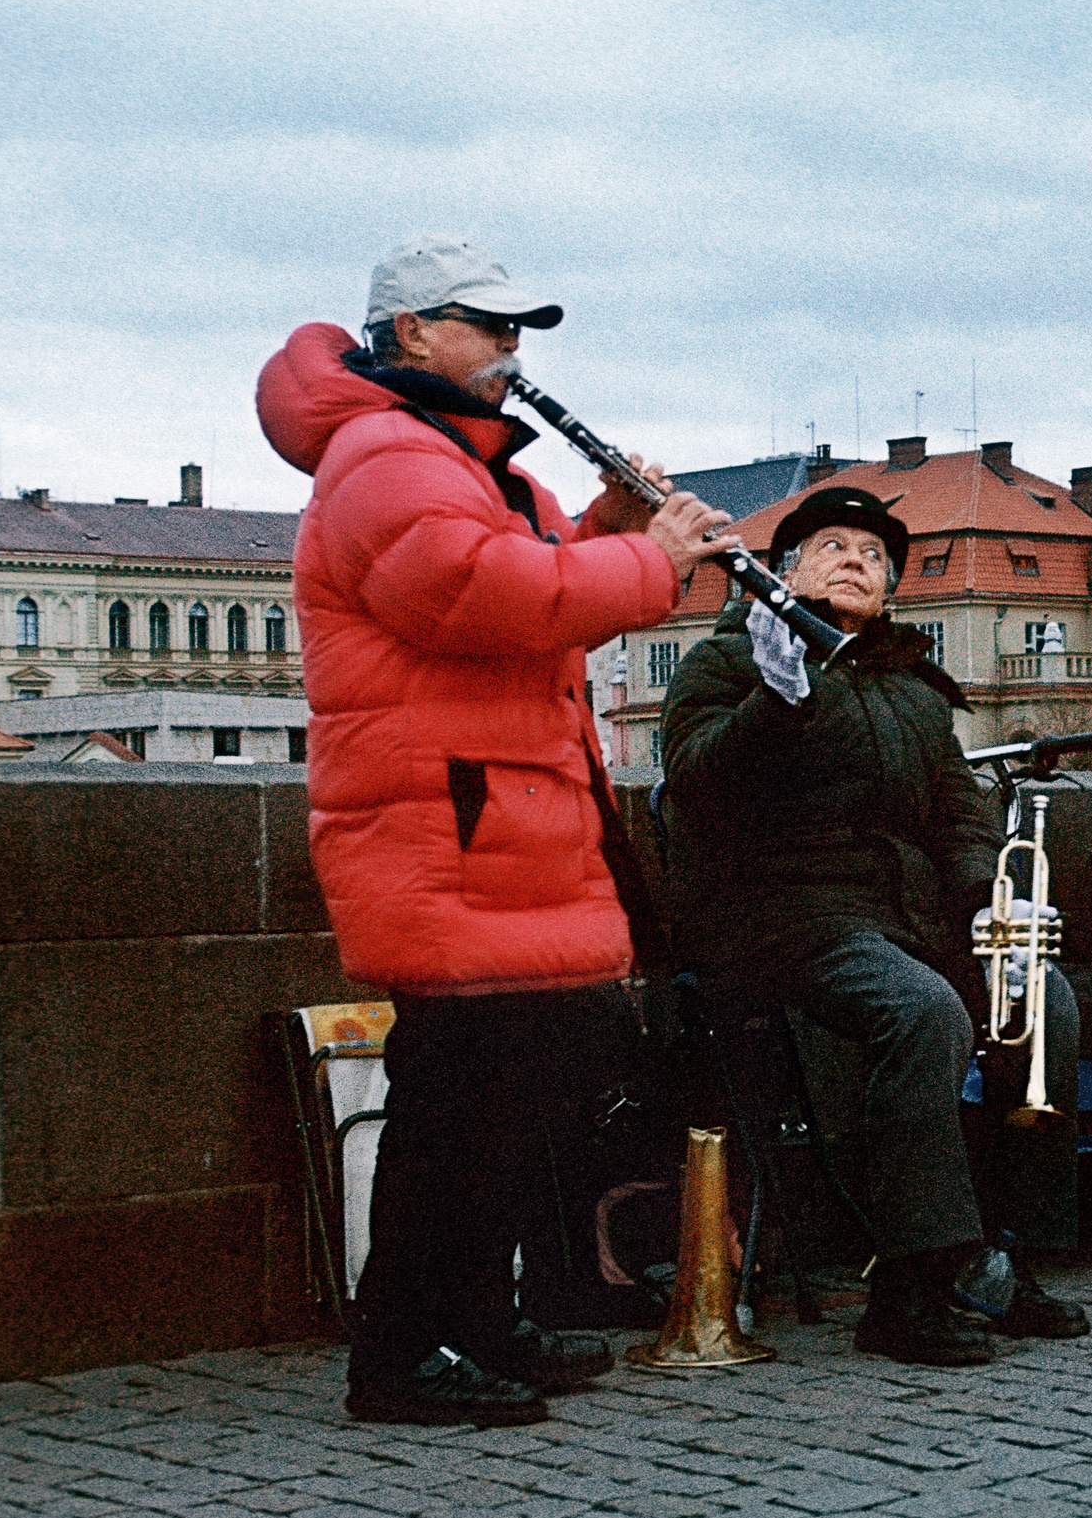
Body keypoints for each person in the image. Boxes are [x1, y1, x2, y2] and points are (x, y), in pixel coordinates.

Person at [257, 235, 739, 1425]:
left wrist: (609, 521)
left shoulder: (471, 461)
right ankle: (400, 1356)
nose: (515, 352)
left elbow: (533, 577)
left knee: (520, 1101)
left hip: (502, 817)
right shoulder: (380, 453)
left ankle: (479, 1320)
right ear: (413, 331)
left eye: (522, 331)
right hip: (442, 822)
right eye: (494, 326)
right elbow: (470, 596)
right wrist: (653, 559)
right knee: (453, 1113)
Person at [659, 486, 1090, 1366]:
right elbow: (698, 786)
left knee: (1044, 997)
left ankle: (1004, 1253)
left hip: (908, 916)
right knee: (923, 1013)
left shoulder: (914, 685)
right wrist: (776, 701)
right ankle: (908, 1286)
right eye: (830, 545)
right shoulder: (731, 663)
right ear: (780, 575)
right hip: (785, 915)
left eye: (872, 552)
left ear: (892, 589)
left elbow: (958, 817)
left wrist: (993, 903)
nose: (854, 558)